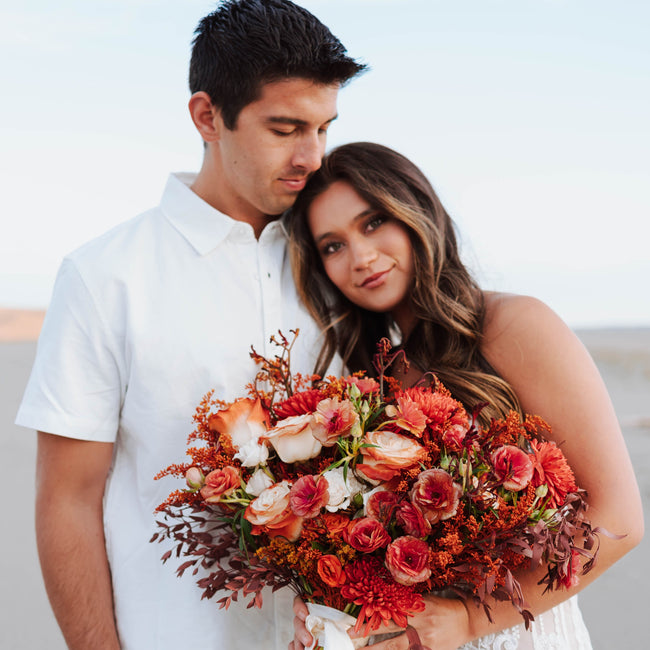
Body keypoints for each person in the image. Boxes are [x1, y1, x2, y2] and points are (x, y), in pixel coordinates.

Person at [15, 2, 365, 648]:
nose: (313, 157)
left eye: (324, 128)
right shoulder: (105, 277)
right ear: (208, 117)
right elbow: (66, 501)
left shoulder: (340, 267)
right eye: (286, 128)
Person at [285, 142, 643, 650]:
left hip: (521, 633)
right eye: (332, 246)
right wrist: (331, 612)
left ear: (415, 213)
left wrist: (473, 621)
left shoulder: (516, 325)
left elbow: (618, 522)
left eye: (372, 223)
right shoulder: (371, 384)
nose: (361, 257)